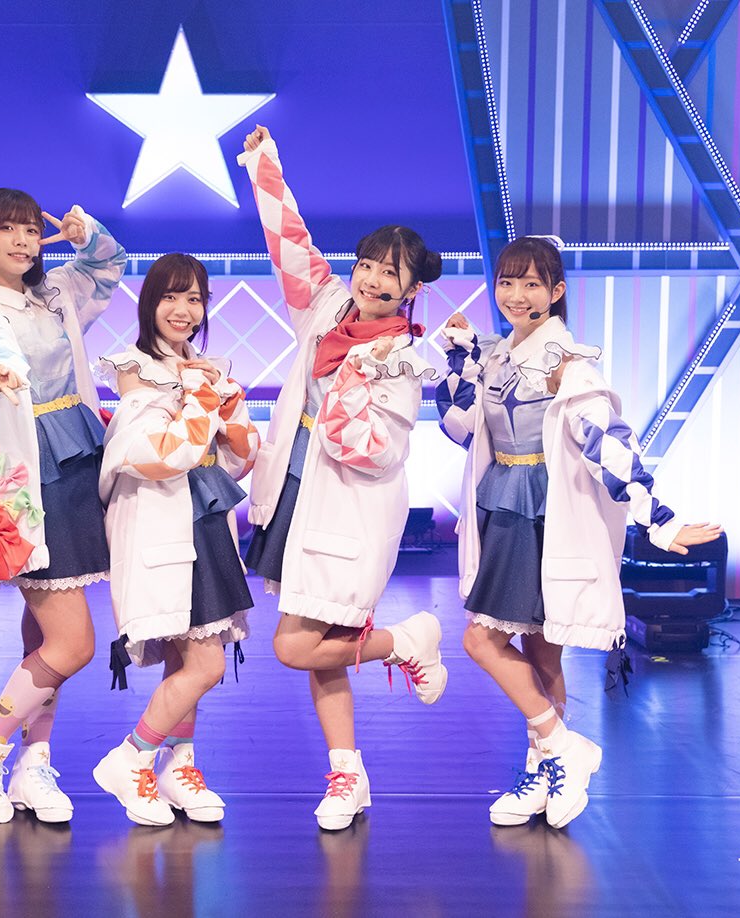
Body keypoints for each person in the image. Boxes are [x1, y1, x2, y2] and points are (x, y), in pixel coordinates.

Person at [436, 235, 722, 828]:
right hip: (501, 505)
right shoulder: (496, 356)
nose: (517, 295)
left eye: (532, 283)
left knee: (489, 642)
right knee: (540, 651)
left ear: (556, 291)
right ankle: (549, 769)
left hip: (545, 512)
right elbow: (460, 428)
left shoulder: (568, 363)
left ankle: (562, 750)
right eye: (507, 282)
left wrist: (658, 519)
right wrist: (460, 361)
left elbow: (606, 442)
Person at [238, 125, 448, 831]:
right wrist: (264, 163)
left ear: (412, 289)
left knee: (295, 646)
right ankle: (346, 775)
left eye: (391, 273)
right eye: (367, 264)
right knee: (320, 650)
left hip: (349, 510)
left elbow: (381, 452)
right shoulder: (326, 306)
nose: (373, 280)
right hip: (294, 495)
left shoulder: (402, 359)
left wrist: (345, 406)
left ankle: (407, 639)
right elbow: (288, 241)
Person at [0, 188, 126, 824]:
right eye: (7, 230)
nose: (22, 241)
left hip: (77, 461)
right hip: (28, 476)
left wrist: (84, 231)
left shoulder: (54, 293)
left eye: (29, 230)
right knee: (72, 643)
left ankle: (32, 762)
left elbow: (109, 263)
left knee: (44, 634)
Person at [91, 252, 260, 826]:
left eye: (195, 298)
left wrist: (224, 401)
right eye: (170, 296)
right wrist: (203, 398)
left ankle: (178, 766)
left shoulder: (205, 369)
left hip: (206, 520)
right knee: (205, 664)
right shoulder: (134, 368)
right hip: (161, 520)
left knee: (191, 658)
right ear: (149, 302)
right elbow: (162, 454)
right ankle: (131, 757)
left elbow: (240, 456)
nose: (184, 310)